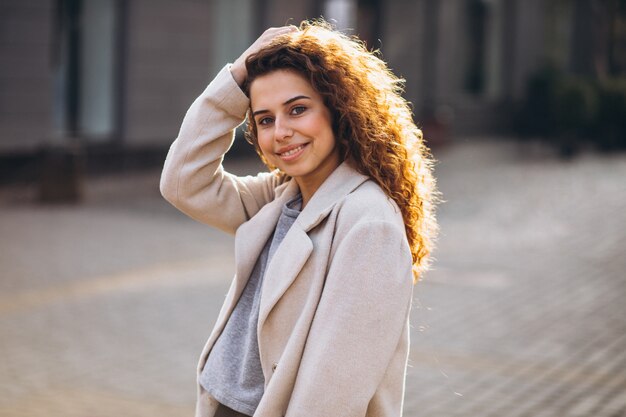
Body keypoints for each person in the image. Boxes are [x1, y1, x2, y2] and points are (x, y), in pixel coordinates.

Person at [160, 20, 438, 417]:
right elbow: (183, 181)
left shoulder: (368, 223)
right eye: (265, 119)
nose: (282, 132)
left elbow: (333, 390)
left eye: (298, 109)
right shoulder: (280, 196)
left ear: (339, 109)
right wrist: (237, 78)